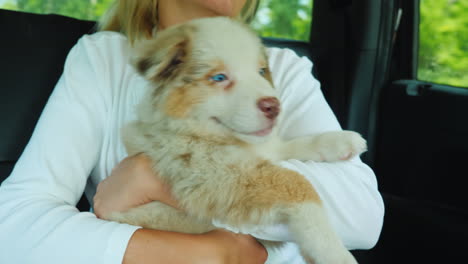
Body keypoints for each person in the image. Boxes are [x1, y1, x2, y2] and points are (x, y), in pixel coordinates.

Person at [0, 0, 385, 263]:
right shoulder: (105, 59)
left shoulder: (284, 69)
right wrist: (219, 254)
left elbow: (363, 216)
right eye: (219, 77)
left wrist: (157, 177)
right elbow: (14, 227)